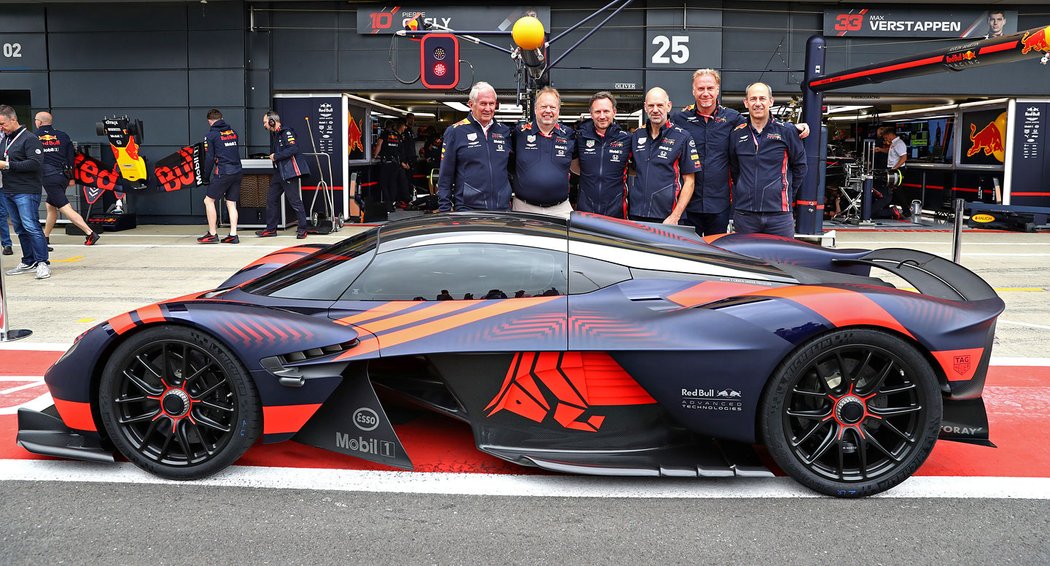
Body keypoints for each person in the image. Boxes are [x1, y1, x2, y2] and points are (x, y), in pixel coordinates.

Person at [672, 69, 809, 236]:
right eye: (701, 89)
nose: (705, 93)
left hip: (719, 205)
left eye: (710, 88)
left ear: (717, 90)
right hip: (688, 204)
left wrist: (794, 128)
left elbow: (760, 122)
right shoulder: (679, 119)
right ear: (693, 91)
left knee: (717, 256)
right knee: (688, 256)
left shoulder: (733, 119)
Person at [728, 83, 807, 238]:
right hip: (745, 215)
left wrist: (784, 190)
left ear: (771, 101)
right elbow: (735, 170)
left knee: (783, 261)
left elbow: (800, 167)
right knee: (745, 261)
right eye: (753, 99)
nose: (758, 103)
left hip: (779, 216)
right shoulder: (736, 135)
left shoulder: (787, 131)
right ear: (746, 103)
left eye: (762, 98)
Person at [628, 87, 700, 225]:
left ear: (669, 106)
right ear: (645, 107)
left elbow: (690, 182)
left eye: (660, 105)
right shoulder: (636, 135)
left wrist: (676, 215)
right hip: (636, 214)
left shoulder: (682, 137)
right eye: (651, 105)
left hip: (668, 217)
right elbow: (633, 169)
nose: (655, 109)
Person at [437, 81, 512, 212]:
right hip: (468, 209)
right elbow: (445, 177)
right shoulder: (455, 131)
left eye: (492, 104)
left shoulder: (504, 131)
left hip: (502, 209)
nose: (488, 109)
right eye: (483, 103)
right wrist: (445, 210)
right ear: (471, 104)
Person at [34, 112, 100, 249]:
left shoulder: (33, 137)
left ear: (39, 122)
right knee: (50, 207)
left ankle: (90, 233)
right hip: (63, 175)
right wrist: (71, 177)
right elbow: (71, 158)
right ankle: (45, 237)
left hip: (48, 177)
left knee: (65, 207)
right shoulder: (63, 135)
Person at [0, 105, 50, 279]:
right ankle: (28, 260)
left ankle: (43, 262)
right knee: (20, 228)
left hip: (26, 191)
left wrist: (7, 165)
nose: (1, 127)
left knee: (31, 226)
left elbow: (35, 163)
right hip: (8, 190)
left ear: (13, 119)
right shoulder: (5, 139)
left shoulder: (30, 139)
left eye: (2, 123)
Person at [510, 86, 576, 218]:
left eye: (552, 107)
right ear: (535, 109)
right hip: (524, 208)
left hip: (560, 209)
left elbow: (577, 165)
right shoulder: (519, 133)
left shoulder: (569, 135)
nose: (548, 111)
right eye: (543, 107)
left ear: (558, 110)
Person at [571, 91, 631, 218]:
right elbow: (574, 166)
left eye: (606, 111)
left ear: (614, 112)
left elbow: (635, 168)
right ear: (591, 114)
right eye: (597, 112)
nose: (602, 116)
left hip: (617, 210)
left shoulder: (627, 139)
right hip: (585, 210)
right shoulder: (580, 137)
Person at [257, 111, 310, 239]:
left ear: (271, 121)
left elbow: (293, 149)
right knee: (271, 199)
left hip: (289, 172)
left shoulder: (286, 132)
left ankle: (303, 229)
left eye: (265, 122)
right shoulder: (275, 134)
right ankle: (271, 229)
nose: (264, 125)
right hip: (279, 172)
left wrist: (276, 156)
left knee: (295, 201)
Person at [198, 109, 243, 244]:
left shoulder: (211, 135)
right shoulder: (233, 133)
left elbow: (210, 158)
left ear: (209, 121)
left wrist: (205, 177)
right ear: (221, 118)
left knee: (208, 201)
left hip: (224, 171)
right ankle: (233, 235)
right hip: (238, 171)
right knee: (231, 202)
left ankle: (212, 234)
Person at [373, 119, 410, 207]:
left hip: (387, 162)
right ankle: (392, 203)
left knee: (384, 183)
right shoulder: (398, 136)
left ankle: (388, 203)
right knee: (393, 183)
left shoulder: (384, 134)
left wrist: (375, 155)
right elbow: (401, 151)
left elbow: (379, 145)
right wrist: (402, 162)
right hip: (396, 164)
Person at [872, 125, 908, 219]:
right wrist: (880, 150)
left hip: (897, 171)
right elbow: (890, 151)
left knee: (898, 191)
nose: (885, 139)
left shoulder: (899, 144)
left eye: (885, 137)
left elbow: (904, 158)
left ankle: (906, 211)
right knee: (890, 190)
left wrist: (894, 168)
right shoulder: (893, 144)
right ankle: (887, 209)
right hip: (892, 170)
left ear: (890, 134)